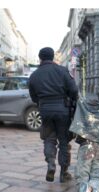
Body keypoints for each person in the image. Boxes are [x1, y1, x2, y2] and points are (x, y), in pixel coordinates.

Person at [28, 47, 78, 183]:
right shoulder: (62, 71)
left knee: (49, 139)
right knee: (63, 141)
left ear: (40, 58)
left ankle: (51, 164)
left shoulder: (34, 75)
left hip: (45, 111)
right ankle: (64, 173)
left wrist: (42, 102)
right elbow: (74, 90)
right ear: (52, 57)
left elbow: (33, 97)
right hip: (63, 110)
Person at [69, 95, 99, 192]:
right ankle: (94, 185)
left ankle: (84, 185)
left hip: (85, 145)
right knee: (98, 167)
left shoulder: (81, 106)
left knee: (83, 168)